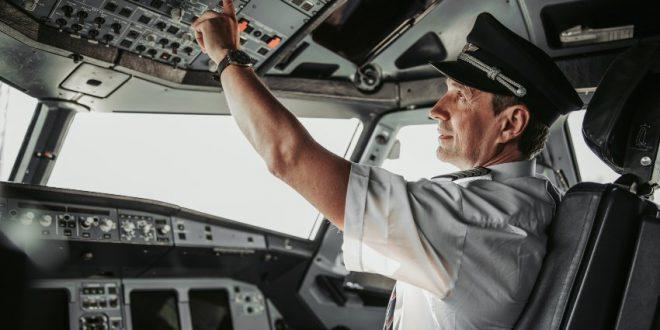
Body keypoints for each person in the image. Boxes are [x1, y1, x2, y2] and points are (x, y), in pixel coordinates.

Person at [192, 2, 583, 329]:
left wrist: (227, 57)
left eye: (460, 97)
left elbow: (287, 156)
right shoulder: (534, 197)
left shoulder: (472, 220)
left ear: (511, 124)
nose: (435, 111)